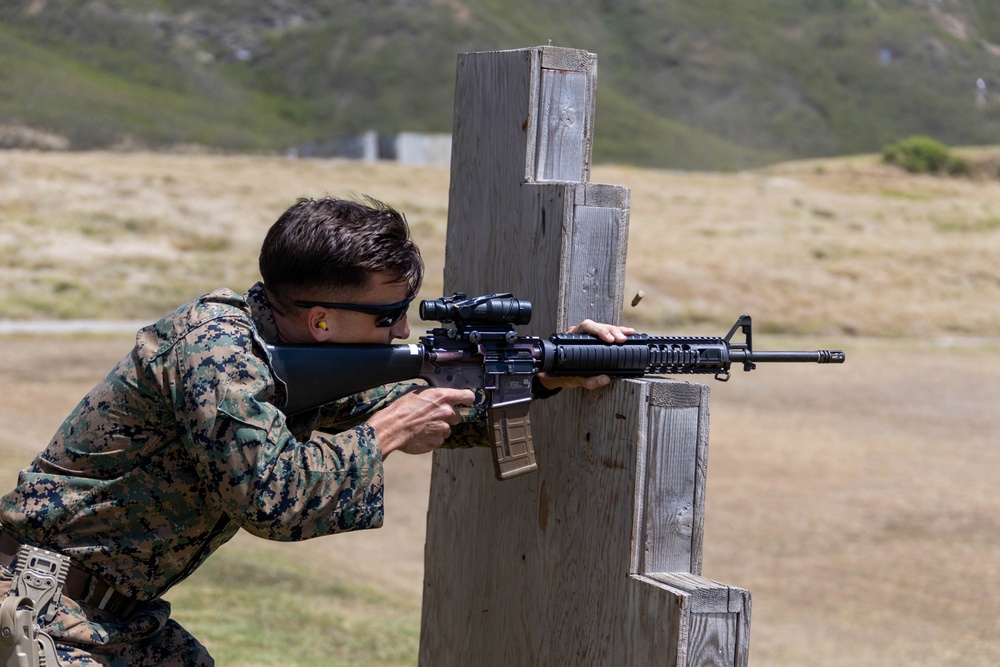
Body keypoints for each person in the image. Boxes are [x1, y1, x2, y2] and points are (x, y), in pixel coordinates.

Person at [0, 196, 632, 666]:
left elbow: (417, 400)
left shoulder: (286, 350)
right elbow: (272, 501)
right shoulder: (216, 354)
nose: (403, 333)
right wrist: (383, 434)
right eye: (388, 316)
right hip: (37, 606)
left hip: (113, 613)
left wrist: (545, 371)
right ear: (323, 321)